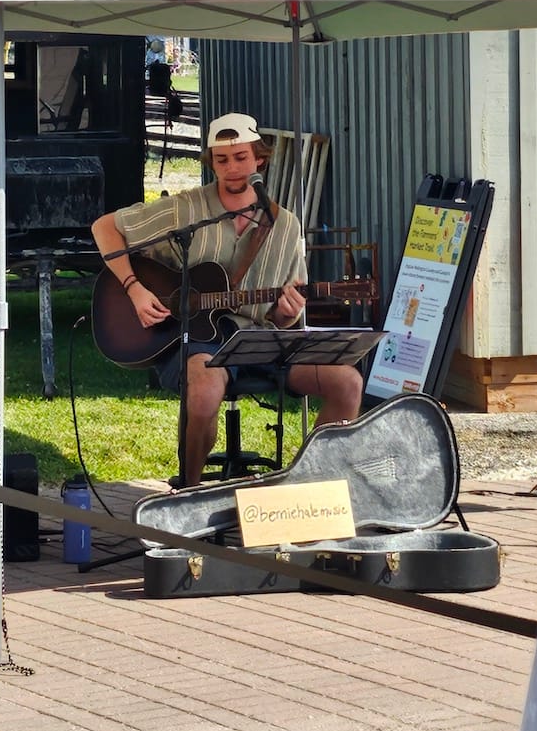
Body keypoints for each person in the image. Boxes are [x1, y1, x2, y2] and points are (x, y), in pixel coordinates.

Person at [91, 111, 363, 486]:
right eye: (221, 160)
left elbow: (282, 317)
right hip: (197, 339)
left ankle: (311, 485)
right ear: (211, 162)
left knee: (347, 382)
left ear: (259, 160)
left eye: (240, 157)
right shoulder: (186, 209)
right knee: (204, 390)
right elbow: (105, 227)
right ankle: (189, 488)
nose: (232, 168)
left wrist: (287, 312)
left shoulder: (285, 225)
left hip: (261, 340)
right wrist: (134, 288)